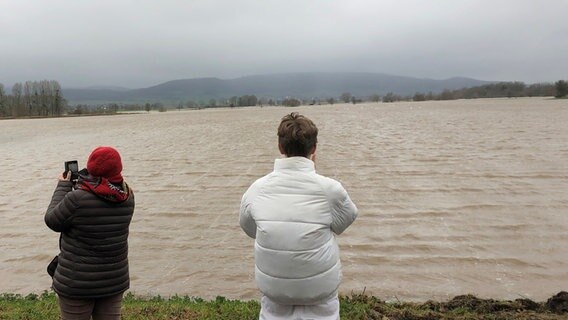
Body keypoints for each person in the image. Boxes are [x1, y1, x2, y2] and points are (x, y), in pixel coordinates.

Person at [240, 112, 358, 319]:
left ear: (280, 148)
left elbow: (250, 229)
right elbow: (344, 221)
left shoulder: (256, 189)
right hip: (320, 294)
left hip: (274, 293)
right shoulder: (330, 189)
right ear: (314, 148)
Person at [45, 146, 135, 320]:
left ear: (91, 166)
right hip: (114, 280)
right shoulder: (127, 195)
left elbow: (52, 220)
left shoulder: (77, 198)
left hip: (77, 283)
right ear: (118, 168)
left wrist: (63, 186)